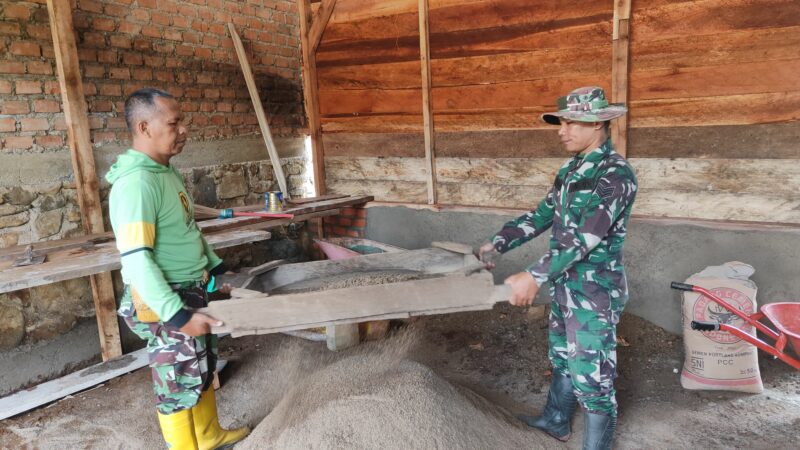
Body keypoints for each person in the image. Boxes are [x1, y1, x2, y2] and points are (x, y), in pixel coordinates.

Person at [478, 87, 637, 450]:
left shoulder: (615, 175)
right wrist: (496, 244)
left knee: (592, 376)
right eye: (561, 123)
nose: (562, 131)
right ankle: (556, 420)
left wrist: (533, 275)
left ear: (597, 124)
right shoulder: (570, 169)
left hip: (595, 292)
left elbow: (586, 237)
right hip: (565, 283)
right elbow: (540, 216)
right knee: (562, 357)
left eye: (571, 123)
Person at [106, 88, 249, 449]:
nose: (184, 129)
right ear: (144, 127)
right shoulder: (136, 184)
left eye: (182, 121)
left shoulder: (165, 172)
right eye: (174, 123)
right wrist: (177, 316)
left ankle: (209, 435)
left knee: (201, 366)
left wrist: (216, 268)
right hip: (165, 297)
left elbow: (187, 229)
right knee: (177, 382)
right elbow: (137, 261)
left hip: (190, 287)